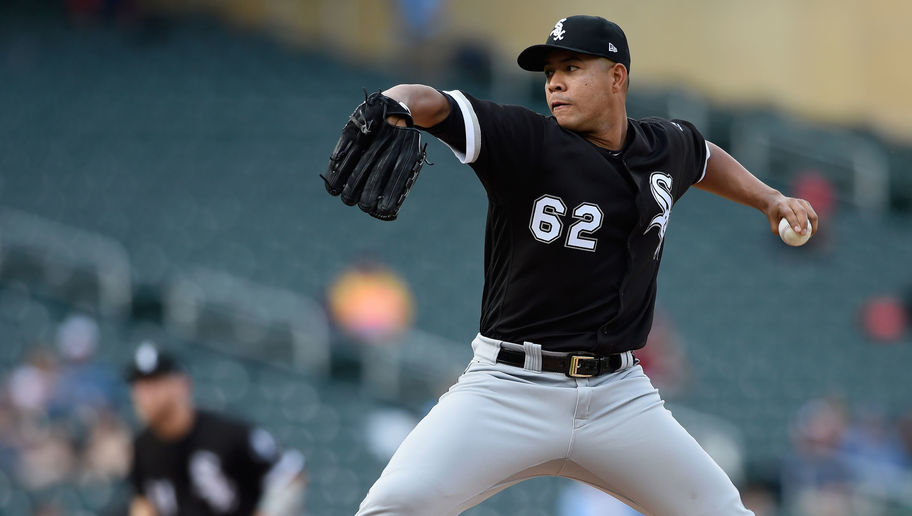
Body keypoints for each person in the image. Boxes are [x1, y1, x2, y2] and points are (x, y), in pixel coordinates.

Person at [350, 14, 819, 516]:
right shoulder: (526, 141)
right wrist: (397, 103)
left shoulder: (664, 147)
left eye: (571, 67)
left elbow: (704, 157)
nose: (554, 82)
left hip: (618, 397)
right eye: (550, 71)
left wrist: (768, 199)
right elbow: (436, 105)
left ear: (617, 77)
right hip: (509, 388)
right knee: (394, 506)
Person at [126, 342, 306, 516]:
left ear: (181, 385)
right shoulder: (142, 446)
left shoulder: (227, 432)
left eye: (154, 384)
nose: (145, 395)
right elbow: (143, 501)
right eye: (139, 386)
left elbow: (290, 472)